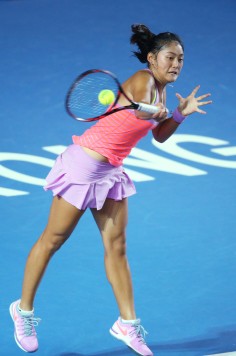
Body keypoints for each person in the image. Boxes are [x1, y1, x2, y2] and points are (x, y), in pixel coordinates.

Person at [9, 23, 212, 356]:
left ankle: (127, 324)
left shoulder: (160, 91)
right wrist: (153, 110)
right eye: (170, 57)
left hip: (109, 174)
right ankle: (23, 311)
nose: (176, 64)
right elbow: (139, 104)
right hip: (80, 168)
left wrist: (177, 113)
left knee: (117, 247)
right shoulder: (143, 80)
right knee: (53, 240)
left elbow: (159, 135)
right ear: (151, 58)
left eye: (181, 59)